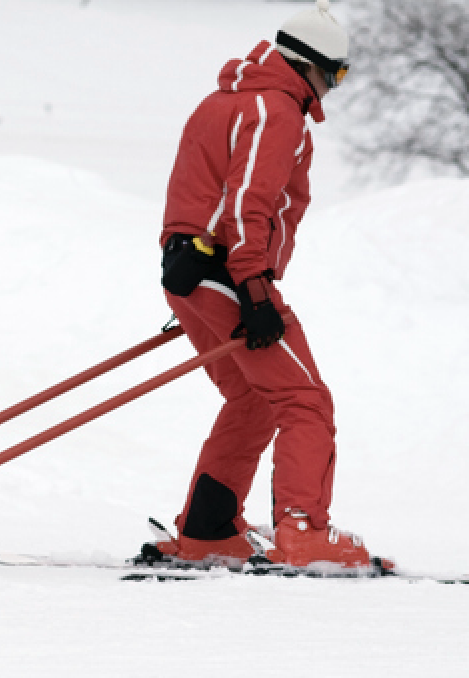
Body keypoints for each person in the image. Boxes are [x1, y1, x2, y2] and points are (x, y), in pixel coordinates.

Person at [151, 0, 373, 569]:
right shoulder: (276, 110)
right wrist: (253, 290)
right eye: (338, 74)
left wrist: (204, 284)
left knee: (252, 399)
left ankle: (209, 531)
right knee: (305, 401)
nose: (334, 88)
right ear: (314, 65)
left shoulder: (224, 100)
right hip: (229, 273)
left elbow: (204, 195)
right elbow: (250, 200)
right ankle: (303, 533)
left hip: (190, 271)